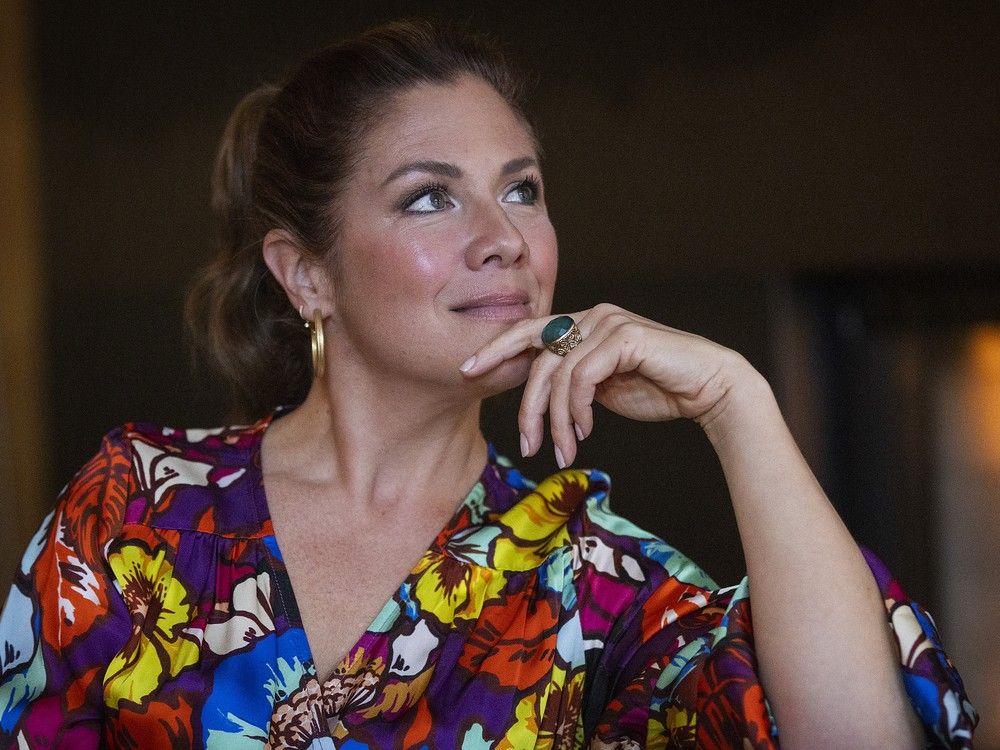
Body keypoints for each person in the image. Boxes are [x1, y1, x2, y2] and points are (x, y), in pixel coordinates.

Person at [0, 20, 977, 750]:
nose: (504, 238)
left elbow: (859, 736)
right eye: (430, 196)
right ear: (306, 273)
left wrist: (737, 404)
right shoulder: (133, 511)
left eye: (521, 189)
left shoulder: (583, 579)